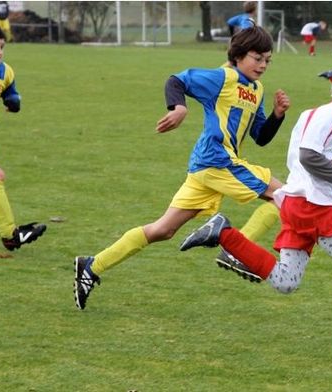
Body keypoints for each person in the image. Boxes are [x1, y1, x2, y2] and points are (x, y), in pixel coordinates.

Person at [180, 59, 332, 369]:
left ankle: (223, 232)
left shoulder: (320, 114)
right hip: (311, 207)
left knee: (286, 281)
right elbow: (308, 156)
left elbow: (310, 161)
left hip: (301, 204)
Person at [73, 26, 291, 310]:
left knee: (163, 230)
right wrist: (179, 108)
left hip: (209, 166)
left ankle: (92, 265)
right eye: (257, 58)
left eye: (267, 60)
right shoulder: (222, 77)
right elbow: (177, 80)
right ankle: (236, 250)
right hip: (217, 161)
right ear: (238, 55)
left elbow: (260, 137)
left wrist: (277, 115)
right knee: (289, 196)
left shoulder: (256, 89)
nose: (262, 65)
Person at [0, 25, 46, 251]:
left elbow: (10, 92)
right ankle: (10, 235)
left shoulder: (5, 71)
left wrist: (13, 102)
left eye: (1, 47)